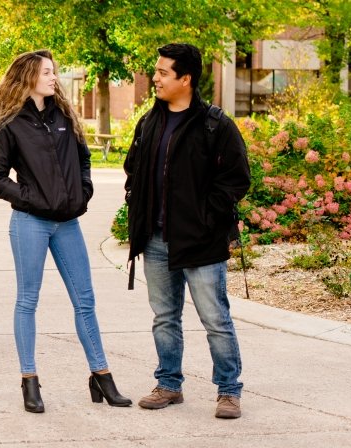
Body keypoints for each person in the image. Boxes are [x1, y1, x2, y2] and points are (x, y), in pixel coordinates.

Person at [0, 50, 131, 413]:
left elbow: (83, 158)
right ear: (28, 76)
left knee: (85, 301)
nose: (54, 77)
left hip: (68, 223)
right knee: (27, 301)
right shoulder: (9, 123)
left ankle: (101, 375)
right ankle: (29, 380)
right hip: (30, 222)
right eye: (47, 72)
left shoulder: (64, 115)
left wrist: (84, 190)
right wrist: (32, 197)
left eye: (54, 72)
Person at [123, 43, 251, 419]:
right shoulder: (149, 122)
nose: (156, 78)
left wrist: (204, 218)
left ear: (186, 79)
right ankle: (169, 384)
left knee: (215, 319)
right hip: (157, 240)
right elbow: (134, 169)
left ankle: (228, 390)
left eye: (163, 73)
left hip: (202, 242)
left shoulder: (216, 124)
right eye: (156, 71)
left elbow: (236, 179)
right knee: (164, 316)